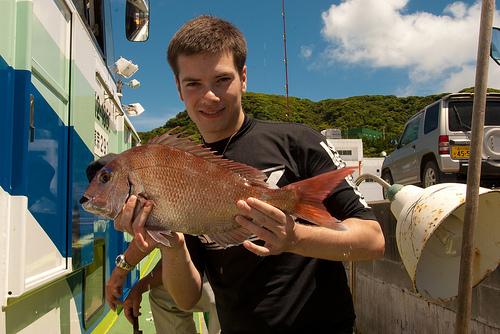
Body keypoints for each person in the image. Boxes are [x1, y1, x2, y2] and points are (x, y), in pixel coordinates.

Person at [120, 15, 385, 333]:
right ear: (178, 89)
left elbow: (373, 240)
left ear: (243, 77)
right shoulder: (178, 172)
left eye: (222, 80)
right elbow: (188, 298)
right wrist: (171, 244)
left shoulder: (299, 141)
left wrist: (294, 238)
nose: (210, 96)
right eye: (193, 83)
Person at [86, 157, 221, 334]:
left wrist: (121, 273)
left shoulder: (160, 200)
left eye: (105, 181)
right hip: (202, 268)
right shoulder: (149, 212)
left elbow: (179, 252)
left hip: (225, 276)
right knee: (162, 296)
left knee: (221, 301)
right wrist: (135, 284)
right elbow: (168, 252)